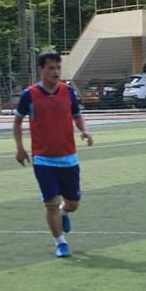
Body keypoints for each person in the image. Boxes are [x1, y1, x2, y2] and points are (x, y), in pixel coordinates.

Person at [13, 51, 94, 258]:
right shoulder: (29, 95)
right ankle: (61, 242)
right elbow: (18, 120)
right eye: (51, 68)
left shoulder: (67, 92)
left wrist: (84, 130)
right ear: (41, 70)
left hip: (68, 157)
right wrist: (20, 148)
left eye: (58, 67)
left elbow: (77, 116)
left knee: (73, 204)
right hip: (43, 159)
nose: (56, 72)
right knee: (50, 203)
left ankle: (64, 211)